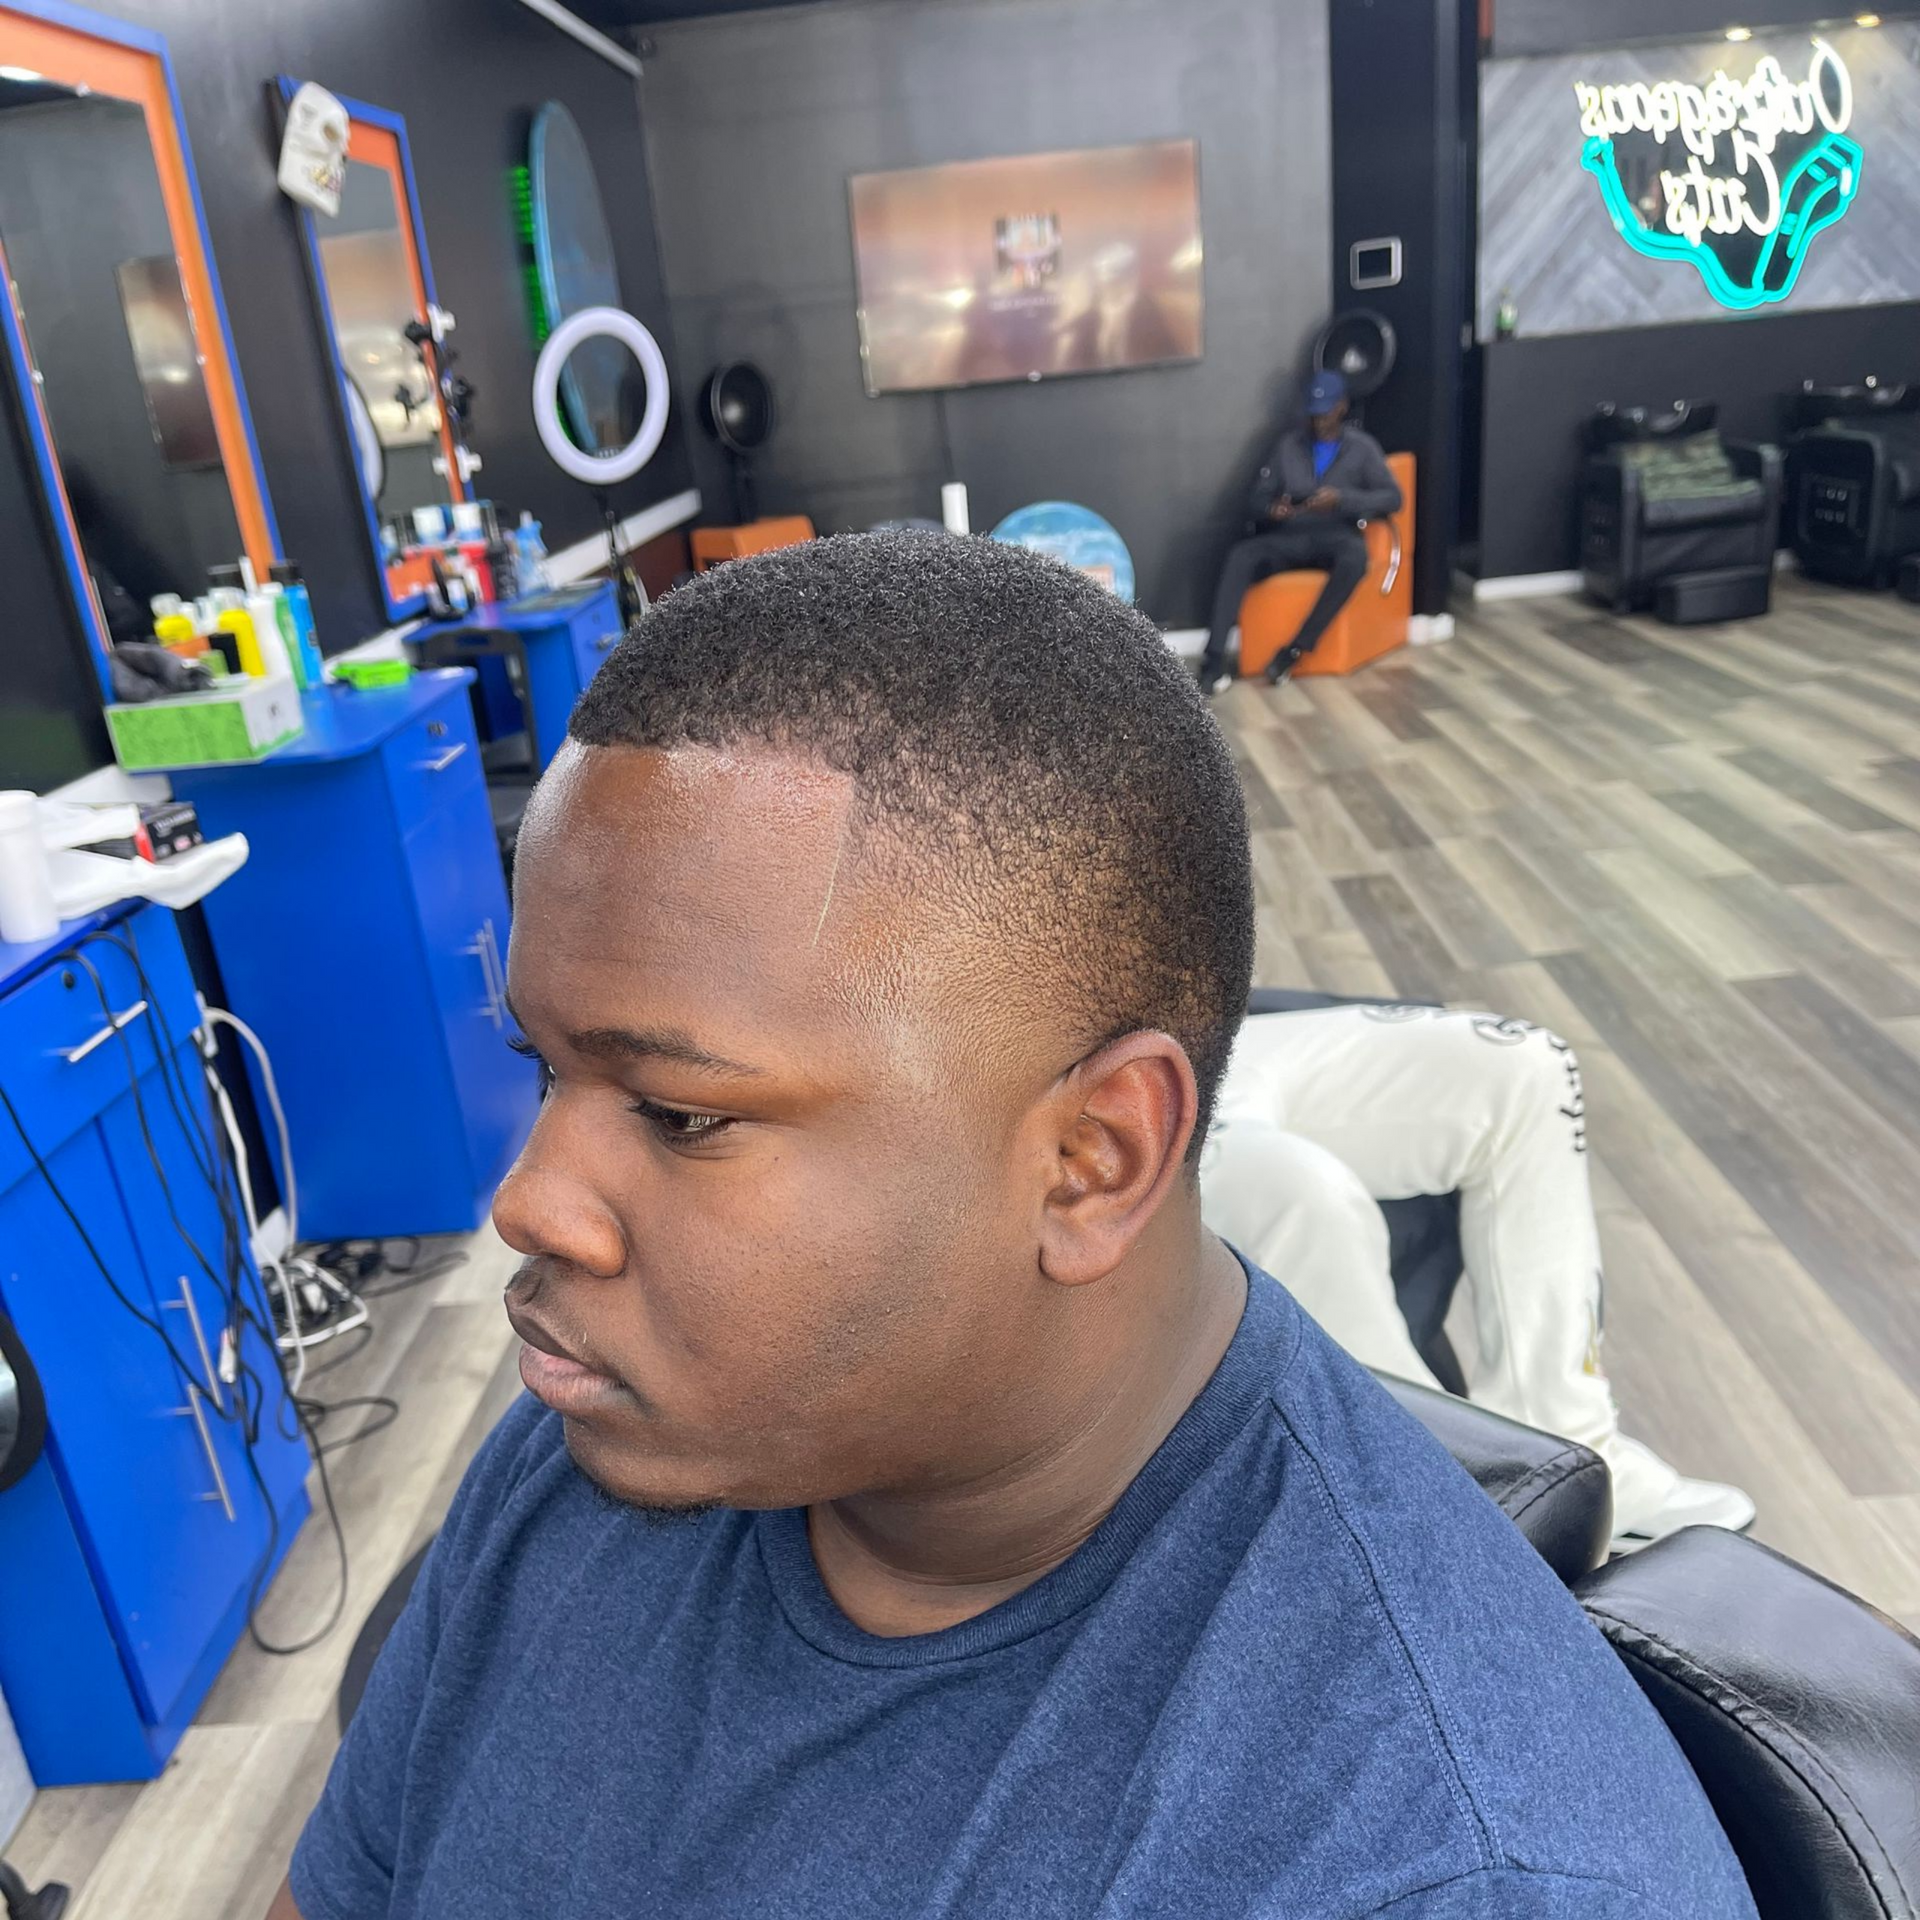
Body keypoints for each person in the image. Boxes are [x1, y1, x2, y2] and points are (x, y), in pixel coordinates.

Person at [272, 534, 1756, 1920]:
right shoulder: (595, 1450)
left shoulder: (1432, 1867)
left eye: (677, 1114)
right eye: (545, 1067)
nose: (528, 1203)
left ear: (1092, 1161)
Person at [1201, 1003, 1757, 1546]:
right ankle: (1447, 1489)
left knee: (1528, 1066)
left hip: (1209, 1027)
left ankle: (1568, 1446)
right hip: (1123, 1086)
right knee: (1297, 1189)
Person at [1198, 367, 1403, 694]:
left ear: (1342, 407)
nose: (1319, 421)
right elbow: (1255, 499)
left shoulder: (1363, 448)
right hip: (1288, 535)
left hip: (1335, 535)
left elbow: (1393, 498)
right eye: (1313, 413)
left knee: (1355, 556)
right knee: (1241, 555)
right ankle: (1214, 660)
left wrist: (1341, 500)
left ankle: (1294, 651)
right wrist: (1271, 510)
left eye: (1325, 413)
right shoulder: (1287, 446)